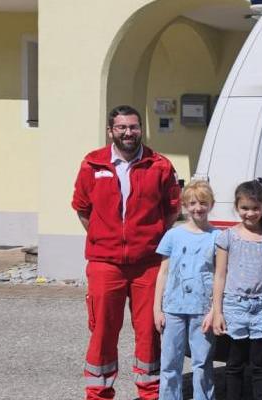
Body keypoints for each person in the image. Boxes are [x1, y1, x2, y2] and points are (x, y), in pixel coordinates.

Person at [72, 105, 181, 400]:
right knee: (103, 330)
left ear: (141, 129)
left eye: (133, 127)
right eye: (121, 128)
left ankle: (150, 393)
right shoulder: (92, 165)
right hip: (105, 263)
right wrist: (104, 237)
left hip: (148, 264)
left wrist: (145, 240)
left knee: (149, 331)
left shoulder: (159, 165)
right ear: (111, 131)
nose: (128, 133)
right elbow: (83, 209)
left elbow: (171, 210)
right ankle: (99, 392)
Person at [210, 180, 262, 400]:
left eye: (255, 208)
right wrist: (218, 311)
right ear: (236, 207)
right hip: (234, 305)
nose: (250, 213)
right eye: (244, 208)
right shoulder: (228, 237)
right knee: (235, 362)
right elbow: (220, 275)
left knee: (260, 363)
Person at [152, 180, 219, 400]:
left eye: (202, 202)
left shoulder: (217, 237)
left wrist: (215, 310)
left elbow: (220, 276)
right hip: (173, 309)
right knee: (170, 362)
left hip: (203, 310)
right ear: (184, 206)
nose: (197, 208)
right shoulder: (173, 235)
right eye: (192, 203)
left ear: (211, 204)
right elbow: (163, 273)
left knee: (202, 363)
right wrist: (157, 309)